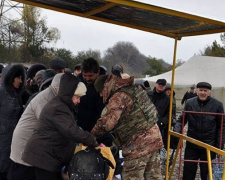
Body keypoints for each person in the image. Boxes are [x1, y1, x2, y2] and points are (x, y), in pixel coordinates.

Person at [22, 73, 98, 180]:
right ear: (69, 94)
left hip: (50, 158)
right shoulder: (58, 108)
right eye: (77, 97)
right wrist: (91, 140)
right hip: (44, 158)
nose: (78, 101)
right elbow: (72, 130)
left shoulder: (62, 105)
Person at [92, 73, 163, 180]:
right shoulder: (133, 89)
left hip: (138, 145)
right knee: (154, 177)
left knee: (131, 177)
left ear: (106, 86)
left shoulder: (119, 97)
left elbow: (106, 124)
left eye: (101, 92)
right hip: (154, 139)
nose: (101, 95)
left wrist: (90, 135)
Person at [8, 73, 64, 180]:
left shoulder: (53, 97)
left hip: (31, 151)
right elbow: (52, 126)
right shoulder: (45, 99)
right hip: (24, 152)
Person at [173, 82, 225, 180]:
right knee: (188, 171)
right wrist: (177, 131)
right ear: (196, 91)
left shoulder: (217, 105)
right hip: (192, 143)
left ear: (209, 93)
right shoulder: (189, 103)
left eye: (205, 91)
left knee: (207, 173)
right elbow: (181, 120)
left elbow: (222, 126)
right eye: (201, 90)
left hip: (209, 145)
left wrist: (219, 145)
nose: (203, 93)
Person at [0, 64, 26, 180]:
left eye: (21, 78)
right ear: (10, 78)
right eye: (18, 78)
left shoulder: (16, 95)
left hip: (11, 138)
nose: (20, 81)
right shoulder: (1, 92)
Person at [77, 58, 105, 132]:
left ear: (98, 72)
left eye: (90, 76)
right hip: (79, 126)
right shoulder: (77, 82)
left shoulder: (105, 85)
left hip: (96, 128)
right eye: (85, 75)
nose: (87, 78)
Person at [147, 79, 176, 147]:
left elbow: (169, 113)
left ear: (165, 86)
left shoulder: (168, 99)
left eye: (162, 85)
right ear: (156, 84)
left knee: (158, 146)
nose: (160, 86)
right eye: (159, 84)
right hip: (146, 125)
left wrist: (161, 122)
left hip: (160, 127)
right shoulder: (148, 94)